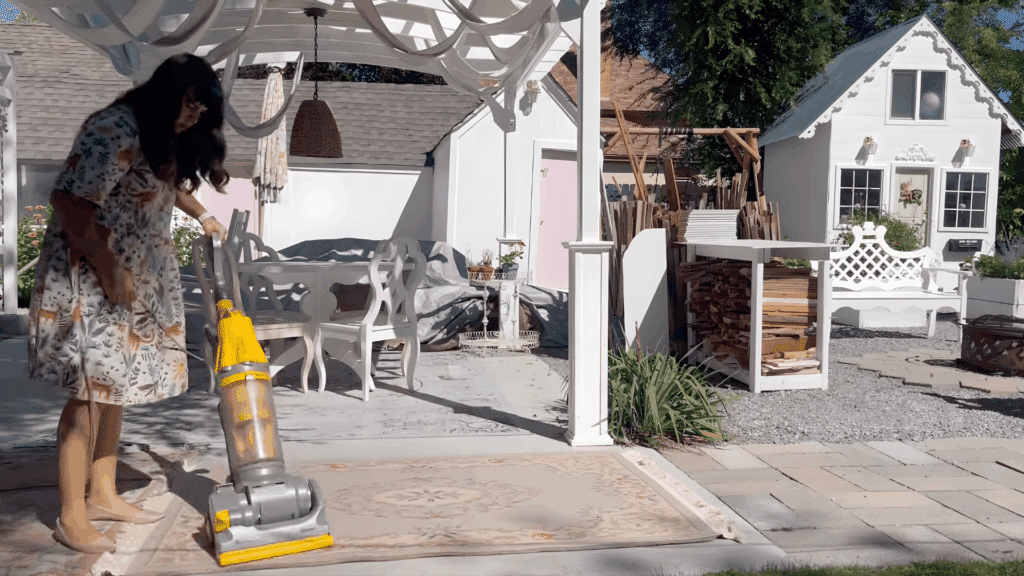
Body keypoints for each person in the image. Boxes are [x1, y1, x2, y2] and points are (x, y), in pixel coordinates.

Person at [27, 53, 231, 554]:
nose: (193, 117)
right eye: (188, 105)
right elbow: (72, 202)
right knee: (88, 395)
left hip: (132, 286)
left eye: (202, 112)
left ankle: (102, 492)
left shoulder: (156, 135)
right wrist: (111, 269)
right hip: (90, 281)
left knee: (113, 390)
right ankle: (70, 514)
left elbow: (159, 184)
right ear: (166, 94)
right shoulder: (114, 126)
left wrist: (203, 213)